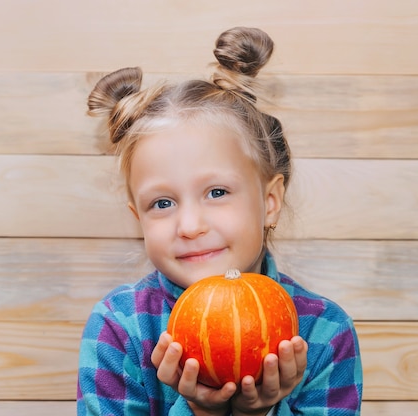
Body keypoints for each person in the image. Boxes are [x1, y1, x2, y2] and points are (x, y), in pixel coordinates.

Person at [77, 27, 363, 416]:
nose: (189, 225)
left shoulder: (324, 333)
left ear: (270, 201)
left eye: (216, 193)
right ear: (138, 220)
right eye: (162, 203)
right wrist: (199, 411)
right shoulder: (119, 328)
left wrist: (258, 414)